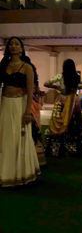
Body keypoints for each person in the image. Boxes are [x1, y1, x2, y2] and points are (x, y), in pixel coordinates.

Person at [0, 37, 40, 187]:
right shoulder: (4, 65)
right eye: (11, 44)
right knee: (5, 137)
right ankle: (4, 172)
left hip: (20, 105)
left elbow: (30, 92)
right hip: (5, 104)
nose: (13, 46)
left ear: (22, 48)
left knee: (18, 136)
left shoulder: (27, 67)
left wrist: (28, 111)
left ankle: (20, 172)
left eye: (17, 44)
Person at [44, 59, 82, 157]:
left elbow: (46, 83)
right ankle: (74, 148)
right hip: (73, 101)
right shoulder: (77, 77)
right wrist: (77, 87)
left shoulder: (60, 76)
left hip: (62, 99)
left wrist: (57, 87)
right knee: (74, 123)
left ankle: (57, 148)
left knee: (59, 122)